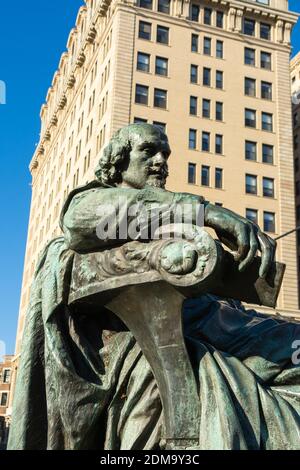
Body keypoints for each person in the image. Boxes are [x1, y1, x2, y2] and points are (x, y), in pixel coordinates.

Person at [8, 124, 300, 450]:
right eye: (148, 151)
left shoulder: (165, 219)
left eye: (166, 154)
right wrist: (204, 213)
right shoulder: (92, 202)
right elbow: (80, 223)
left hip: (226, 325)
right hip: (175, 334)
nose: (161, 161)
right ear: (119, 161)